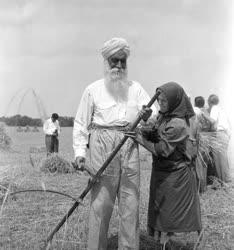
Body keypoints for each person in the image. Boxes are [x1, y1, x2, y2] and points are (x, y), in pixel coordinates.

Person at [73, 37, 156, 250]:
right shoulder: (93, 89)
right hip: (102, 146)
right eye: (114, 61)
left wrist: (146, 116)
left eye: (123, 61)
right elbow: (81, 123)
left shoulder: (136, 88)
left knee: (131, 203)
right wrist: (80, 152)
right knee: (100, 203)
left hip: (129, 144)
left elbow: (153, 115)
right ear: (106, 62)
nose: (119, 66)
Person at [126, 82, 202, 244]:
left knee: (174, 214)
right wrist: (144, 120)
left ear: (175, 101)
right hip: (162, 172)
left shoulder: (179, 124)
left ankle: (178, 245)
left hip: (177, 176)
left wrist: (139, 138)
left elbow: (162, 150)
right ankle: (164, 244)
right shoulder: (164, 116)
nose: (160, 104)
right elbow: (153, 132)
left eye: (164, 101)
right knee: (162, 210)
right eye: (159, 101)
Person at [206, 94, 231, 183]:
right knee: (223, 157)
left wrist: (203, 115)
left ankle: (223, 181)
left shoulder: (214, 108)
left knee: (219, 159)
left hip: (220, 134)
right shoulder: (222, 109)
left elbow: (212, 121)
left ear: (210, 102)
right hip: (225, 134)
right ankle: (225, 179)